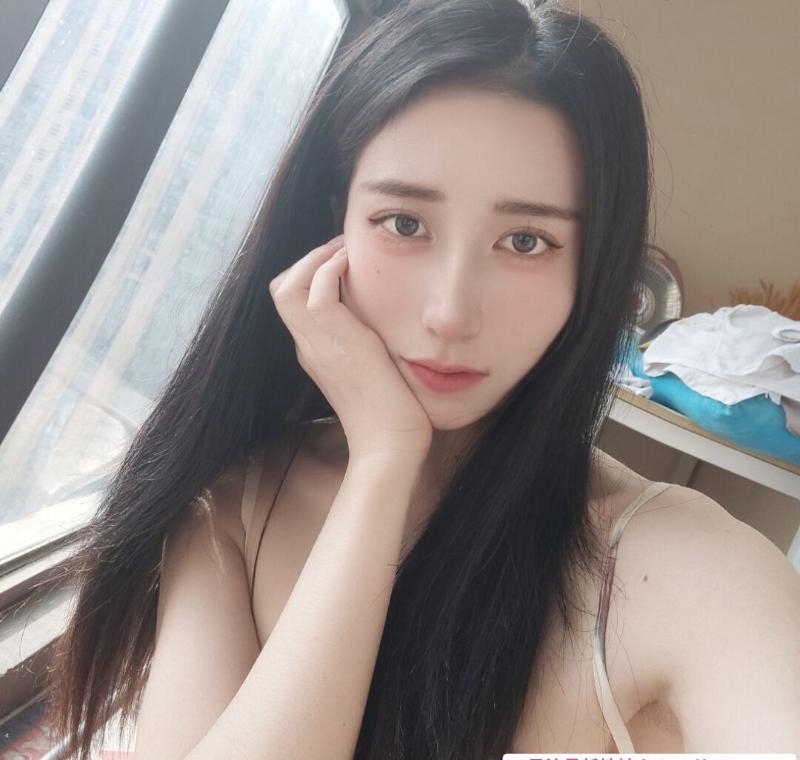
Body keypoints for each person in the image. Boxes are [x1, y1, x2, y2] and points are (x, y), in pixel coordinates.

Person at [44, 1, 800, 758]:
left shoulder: (678, 565)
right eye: (404, 223)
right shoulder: (232, 506)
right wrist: (384, 463)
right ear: (335, 223)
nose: (450, 313)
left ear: (592, 268)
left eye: (526, 241)